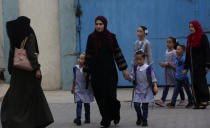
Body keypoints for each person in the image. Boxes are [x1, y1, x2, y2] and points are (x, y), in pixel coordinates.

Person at [1, 16, 54, 128]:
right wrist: (37, 68)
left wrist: (10, 69)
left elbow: (11, 54)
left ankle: (13, 121)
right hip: (28, 73)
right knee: (31, 98)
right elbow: (31, 54)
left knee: (15, 99)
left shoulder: (15, 37)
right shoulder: (29, 36)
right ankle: (34, 122)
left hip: (17, 73)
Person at [83, 16, 130, 128]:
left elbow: (118, 53)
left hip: (110, 72)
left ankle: (115, 111)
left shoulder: (111, 37)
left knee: (111, 97)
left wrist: (123, 70)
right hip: (96, 72)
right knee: (100, 97)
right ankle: (106, 118)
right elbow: (88, 55)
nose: (98, 26)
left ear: (105, 25)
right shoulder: (91, 38)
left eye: (101, 24)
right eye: (97, 24)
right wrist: (86, 71)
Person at [182, 20, 210, 109]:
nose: (191, 28)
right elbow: (187, 53)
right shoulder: (189, 38)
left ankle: (204, 100)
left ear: (197, 27)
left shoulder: (202, 37)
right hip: (192, 66)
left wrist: (207, 65)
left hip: (201, 65)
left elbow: (207, 51)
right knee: (194, 84)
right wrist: (186, 67)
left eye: (192, 26)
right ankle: (197, 102)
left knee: (201, 82)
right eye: (190, 27)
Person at [129, 50, 158, 127]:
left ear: (144, 59)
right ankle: (139, 117)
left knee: (145, 107)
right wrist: (128, 77)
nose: (138, 61)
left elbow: (153, 78)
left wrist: (155, 86)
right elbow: (132, 77)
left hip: (146, 91)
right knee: (136, 105)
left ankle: (145, 120)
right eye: (137, 59)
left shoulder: (148, 68)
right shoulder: (135, 68)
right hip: (138, 90)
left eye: (140, 59)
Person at [156, 37, 185, 107]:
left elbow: (175, 65)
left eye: (170, 42)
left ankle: (183, 99)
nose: (168, 44)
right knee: (166, 85)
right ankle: (162, 100)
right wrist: (164, 64)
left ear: (174, 43)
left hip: (173, 72)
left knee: (178, 86)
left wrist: (166, 64)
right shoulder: (166, 51)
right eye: (167, 42)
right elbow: (167, 62)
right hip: (167, 72)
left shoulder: (175, 52)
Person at [71, 53, 94, 126]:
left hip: (86, 90)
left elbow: (89, 79)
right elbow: (74, 79)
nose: (80, 60)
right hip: (78, 89)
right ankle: (78, 118)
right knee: (79, 104)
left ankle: (87, 118)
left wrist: (86, 73)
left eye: (82, 59)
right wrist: (72, 88)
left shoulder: (87, 69)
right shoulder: (75, 68)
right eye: (79, 58)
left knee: (87, 105)